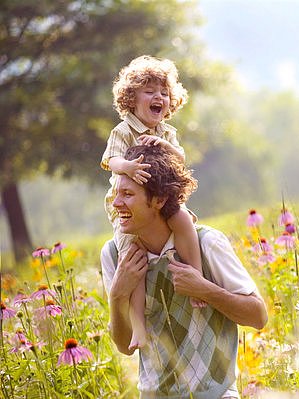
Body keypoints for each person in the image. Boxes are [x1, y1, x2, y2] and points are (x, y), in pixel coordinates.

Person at [100, 145, 268, 399]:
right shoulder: (114, 255)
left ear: (158, 200)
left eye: (127, 194)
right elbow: (125, 346)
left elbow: (258, 316)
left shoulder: (207, 243)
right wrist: (117, 296)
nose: (116, 203)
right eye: (116, 193)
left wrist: (203, 289)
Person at [100, 55, 204, 351]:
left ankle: (196, 277)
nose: (158, 97)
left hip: (163, 200)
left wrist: (169, 148)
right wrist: (128, 168)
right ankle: (139, 327)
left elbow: (181, 159)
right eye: (149, 92)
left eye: (164, 93)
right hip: (127, 208)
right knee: (133, 260)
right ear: (131, 99)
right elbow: (111, 159)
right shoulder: (123, 131)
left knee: (184, 220)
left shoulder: (167, 133)